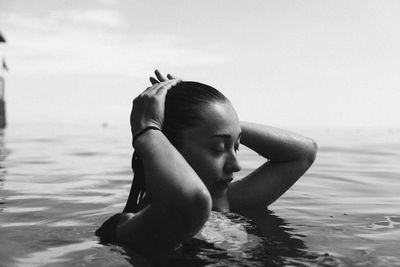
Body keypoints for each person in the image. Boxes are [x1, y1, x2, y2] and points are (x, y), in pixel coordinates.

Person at [96, 70, 317, 258]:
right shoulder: (130, 226)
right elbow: (190, 201)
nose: (236, 165)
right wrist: (147, 128)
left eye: (236, 146)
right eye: (218, 148)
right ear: (168, 147)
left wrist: (209, 116)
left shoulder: (223, 203)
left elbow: (302, 153)